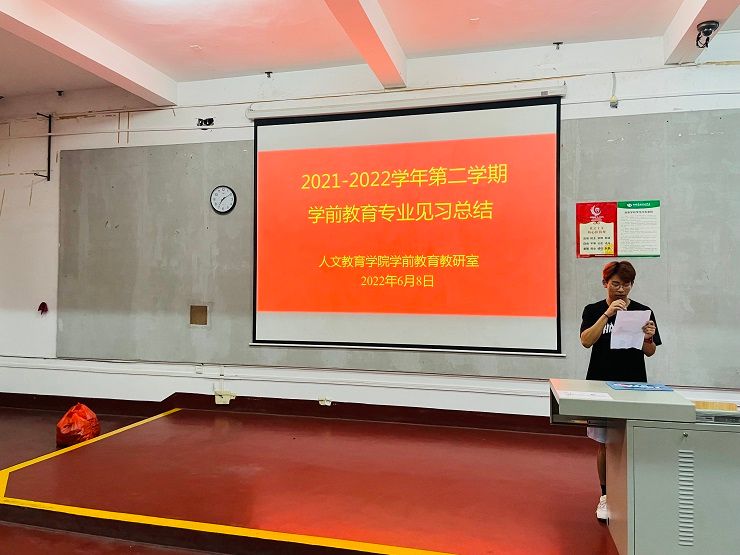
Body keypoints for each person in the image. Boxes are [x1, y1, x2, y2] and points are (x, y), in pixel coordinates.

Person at [579, 260, 661, 522]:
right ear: (605, 283)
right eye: (616, 284)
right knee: (604, 442)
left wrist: (648, 337)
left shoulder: (643, 311)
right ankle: (605, 494)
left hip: (633, 385)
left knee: (631, 440)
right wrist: (607, 315)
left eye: (626, 284)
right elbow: (585, 341)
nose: (621, 289)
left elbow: (650, 351)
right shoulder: (593, 310)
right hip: (600, 385)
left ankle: (630, 493)